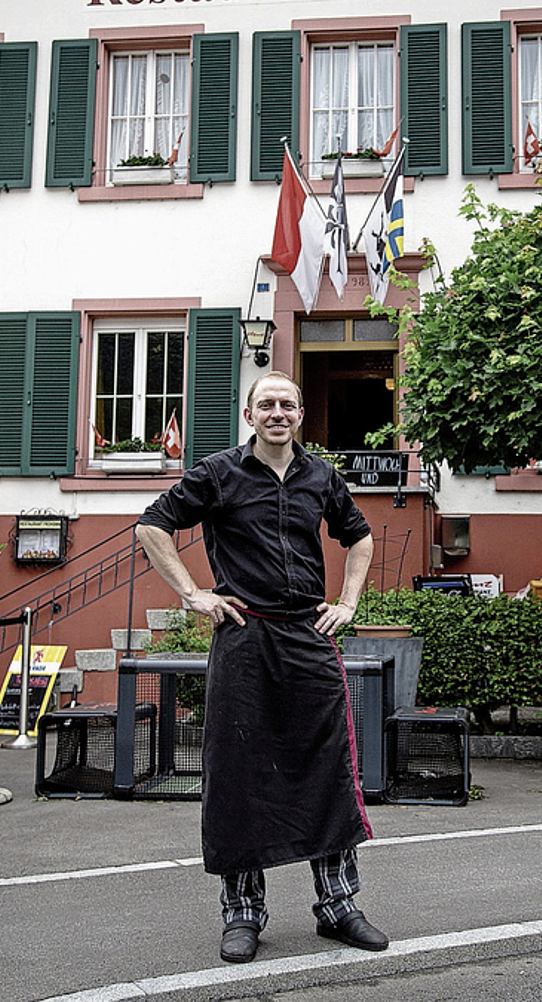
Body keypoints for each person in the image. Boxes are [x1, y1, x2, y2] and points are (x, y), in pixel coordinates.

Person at [136, 370, 387, 964]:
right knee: (240, 773)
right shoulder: (219, 472)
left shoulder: (321, 476)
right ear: (250, 414)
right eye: (267, 404)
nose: (278, 412)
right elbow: (152, 526)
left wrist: (348, 602)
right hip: (244, 638)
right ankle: (243, 914)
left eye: (288, 404)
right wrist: (194, 593)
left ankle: (338, 906)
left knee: (326, 766)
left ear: (300, 415)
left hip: (307, 635)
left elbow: (360, 538)